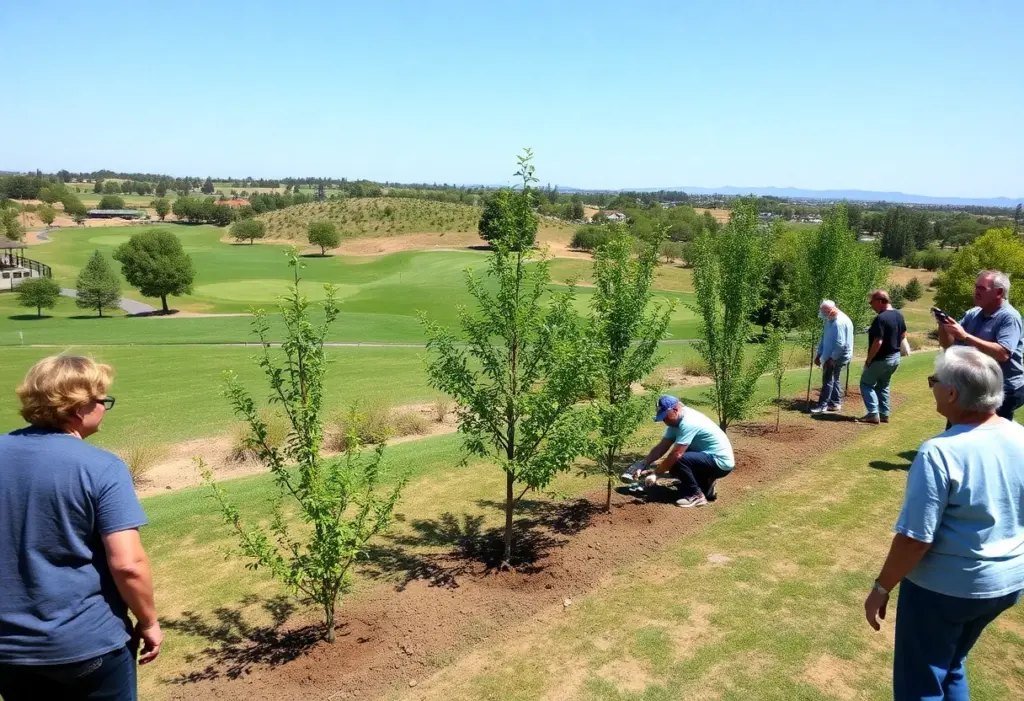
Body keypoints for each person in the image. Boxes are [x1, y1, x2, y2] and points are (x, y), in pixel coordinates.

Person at [864, 347, 1024, 700]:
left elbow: (915, 540)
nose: (932, 387)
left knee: (920, 683)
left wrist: (880, 588)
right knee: (951, 664)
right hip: (1006, 584)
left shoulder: (940, 451)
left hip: (946, 590)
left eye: (934, 381)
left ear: (952, 394)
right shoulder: (1020, 437)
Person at [0, 355, 161, 701]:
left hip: (9, 652)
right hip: (87, 645)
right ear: (77, 408)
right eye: (102, 399)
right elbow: (128, 564)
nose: (105, 406)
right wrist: (148, 622)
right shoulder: (101, 468)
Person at [938, 269, 1024, 421]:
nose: (976, 291)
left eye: (982, 288)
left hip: (1005, 387)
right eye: (976, 287)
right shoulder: (973, 313)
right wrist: (943, 327)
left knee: (991, 433)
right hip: (977, 384)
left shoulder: (1009, 317)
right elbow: (950, 347)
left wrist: (965, 336)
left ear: (999, 292)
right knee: (960, 422)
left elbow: (1003, 353)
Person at [620, 395, 735, 508]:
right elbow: (662, 447)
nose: (664, 420)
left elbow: (676, 455)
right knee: (675, 463)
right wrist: (644, 463)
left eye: (665, 416)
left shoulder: (688, 423)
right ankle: (706, 487)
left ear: (675, 410)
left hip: (720, 463)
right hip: (709, 457)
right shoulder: (676, 421)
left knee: (678, 460)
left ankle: (696, 496)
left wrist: (656, 474)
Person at [857, 289, 907, 424]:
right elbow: (903, 335)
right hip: (895, 358)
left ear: (879, 301)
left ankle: (873, 414)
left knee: (866, 383)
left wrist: (868, 360)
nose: (871, 305)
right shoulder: (898, 315)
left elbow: (877, 342)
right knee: (883, 385)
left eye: (871, 303)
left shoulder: (881, 318)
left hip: (882, 359)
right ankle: (884, 414)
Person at [810, 300, 854, 414]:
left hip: (837, 357)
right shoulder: (831, 319)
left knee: (828, 380)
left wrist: (832, 358)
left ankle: (822, 406)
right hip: (831, 355)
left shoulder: (838, 322)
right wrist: (819, 353)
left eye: (826, 313)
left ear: (831, 310)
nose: (824, 316)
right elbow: (824, 338)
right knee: (835, 379)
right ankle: (835, 403)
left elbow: (840, 344)